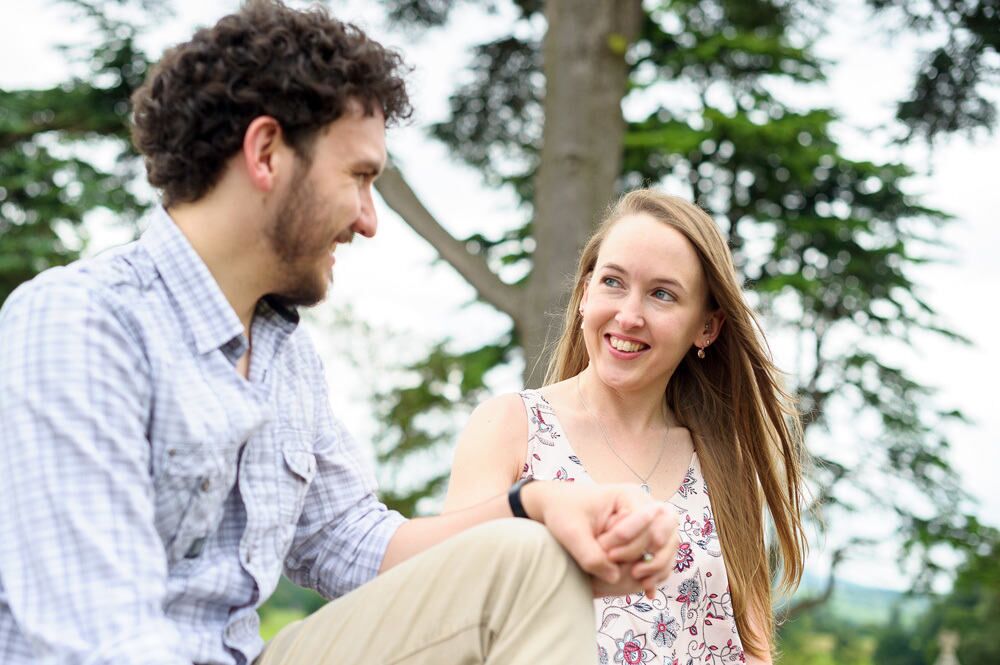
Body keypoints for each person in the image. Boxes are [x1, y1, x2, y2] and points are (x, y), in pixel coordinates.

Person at [0, 3, 681, 664]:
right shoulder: (80, 324)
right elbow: (99, 639)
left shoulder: (287, 356)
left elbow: (353, 541)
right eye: (359, 177)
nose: (368, 220)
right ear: (266, 152)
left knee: (529, 554)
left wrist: (537, 503)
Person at [444, 190, 809, 664]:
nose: (629, 316)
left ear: (707, 328)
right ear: (585, 294)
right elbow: (451, 606)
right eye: (613, 282)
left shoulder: (724, 462)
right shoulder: (510, 427)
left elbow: (752, 648)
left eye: (662, 294)